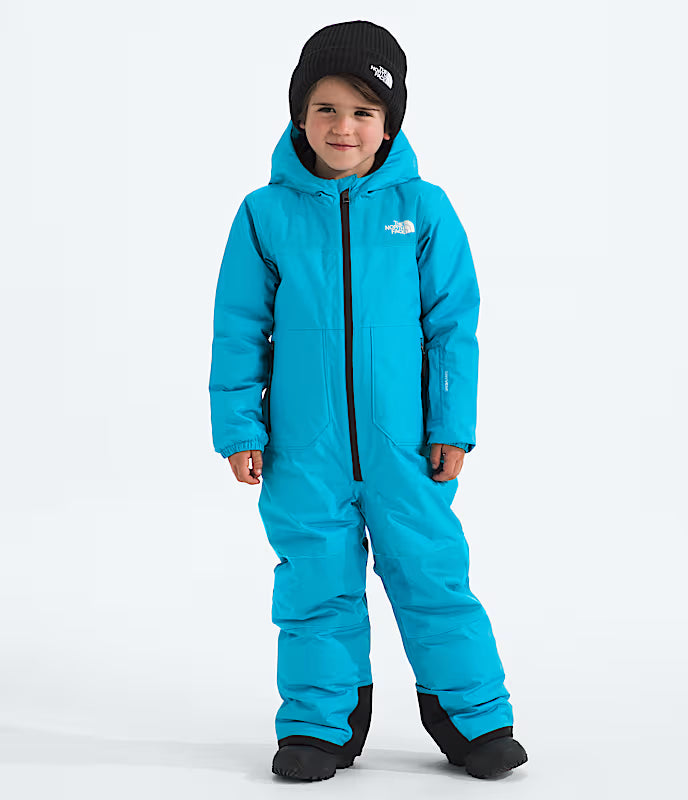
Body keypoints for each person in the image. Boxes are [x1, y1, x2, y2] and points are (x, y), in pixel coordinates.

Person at [208, 19, 528, 782]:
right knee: (315, 584)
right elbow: (239, 328)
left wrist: (452, 424)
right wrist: (239, 428)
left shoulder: (425, 209)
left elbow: (452, 327)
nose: (342, 127)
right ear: (299, 116)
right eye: (325, 108)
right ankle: (320, 725)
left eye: (362, 111)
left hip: (405, 447)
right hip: (303, 451)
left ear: (389, 124)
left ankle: (475, 718)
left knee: (431, 575)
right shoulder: (264, 215)